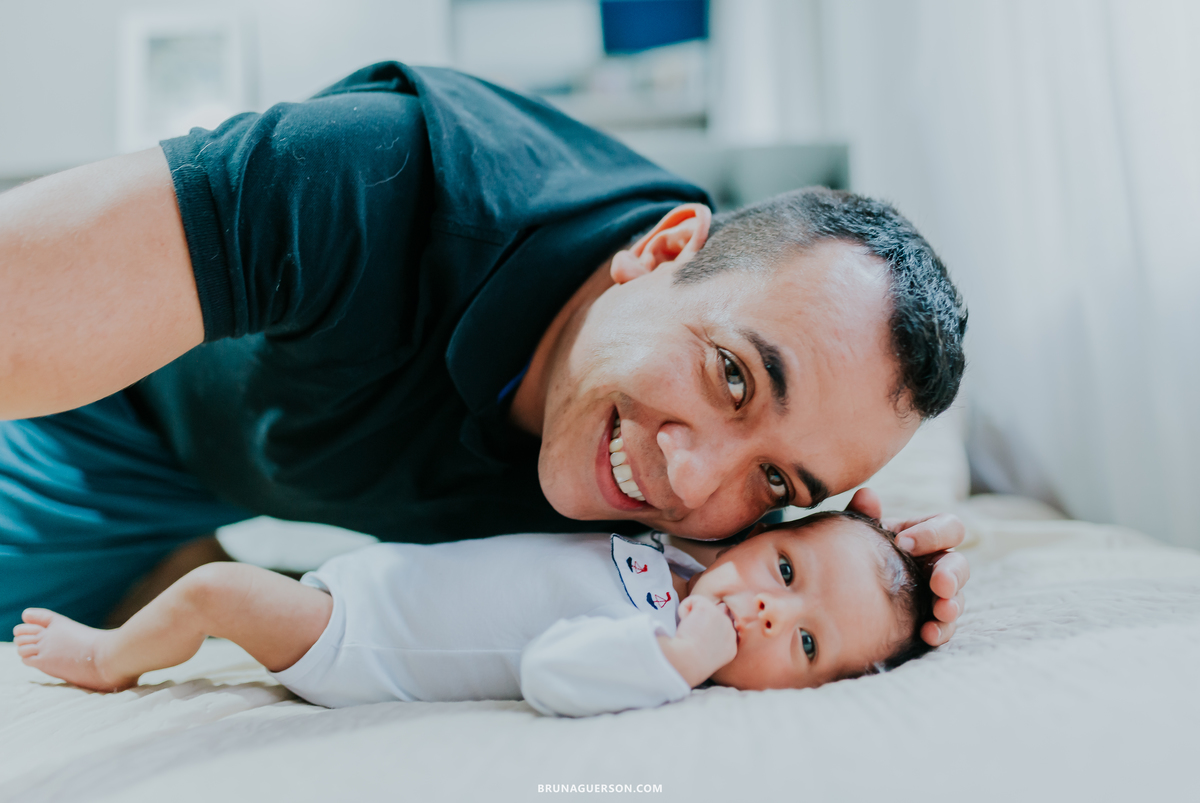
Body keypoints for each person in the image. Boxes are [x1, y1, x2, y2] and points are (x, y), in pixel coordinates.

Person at [0, 62, 969, 643]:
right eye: (731, 375)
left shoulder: (714, 508)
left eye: (779, 480)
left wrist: (865, 579)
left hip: (219, 500)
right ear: (665, 251)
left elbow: (761, 603)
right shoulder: (374, 178)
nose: (689, 473)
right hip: (79, 421)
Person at [13, 510, 933, 717]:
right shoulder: (681, 556)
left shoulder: (655, 656)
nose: (772, 610)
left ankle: (111, 658)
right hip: (374, 580)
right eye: (785, 565)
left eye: (808, 642)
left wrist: (680, 658)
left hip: (362, 644)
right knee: (219, 566)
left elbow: (551, 673)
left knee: (218, 592)